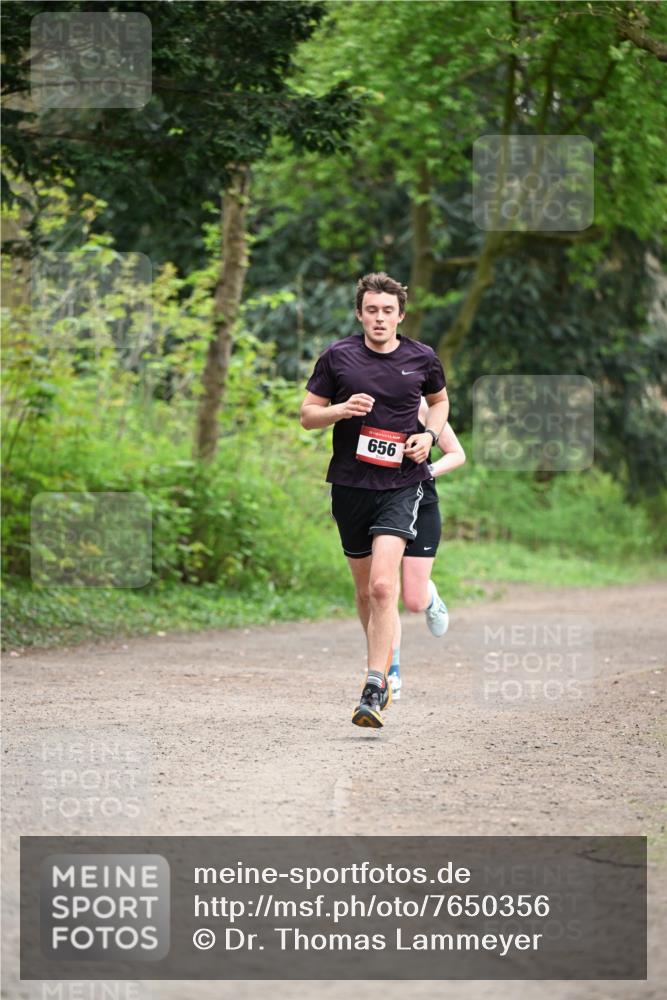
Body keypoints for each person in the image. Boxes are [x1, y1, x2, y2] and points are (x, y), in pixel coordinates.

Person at [300, 272, 448, 728]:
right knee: (365, 591)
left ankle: (375, 683)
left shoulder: (421, 357)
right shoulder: (338, 357)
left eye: (388, 311)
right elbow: (307, 415)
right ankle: (381, 667)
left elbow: (440, 403)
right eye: (372, 310)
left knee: (385, 587)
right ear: (360, 314)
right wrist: (341, 411)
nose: (379, 318)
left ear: (400, 315)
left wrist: (428, 435)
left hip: (401, 485)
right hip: (350, 486)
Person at [388, 413, 466, 700]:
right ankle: (391, 670)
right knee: (386, 590)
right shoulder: (366, 401)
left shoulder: (423, 406)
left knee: (413, 601)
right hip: (380, 504)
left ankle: (429, 596)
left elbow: (457, 454)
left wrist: (427, 470)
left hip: (422, 506)